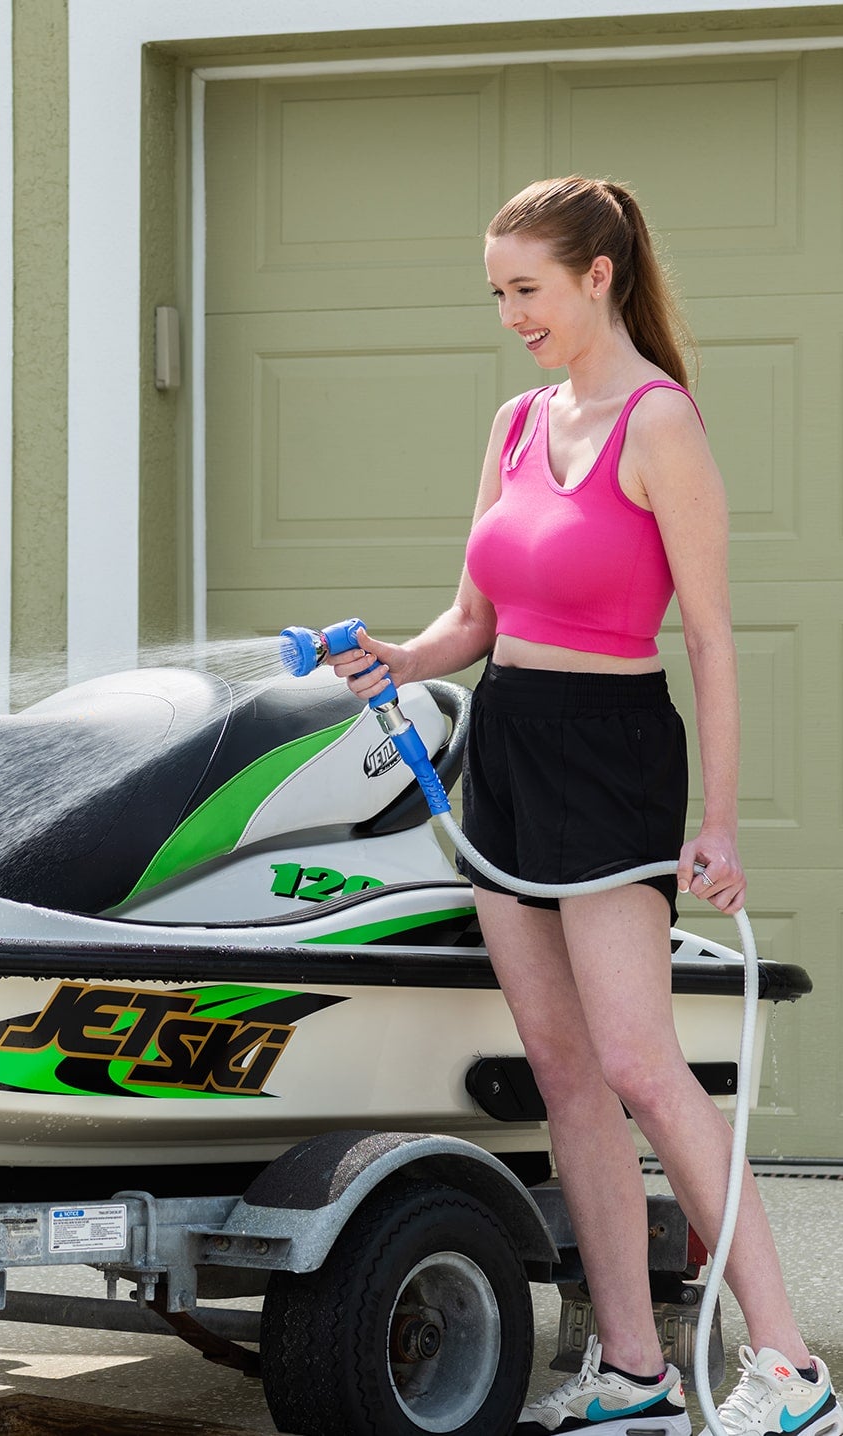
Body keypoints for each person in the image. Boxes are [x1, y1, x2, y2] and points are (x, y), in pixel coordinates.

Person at [335, 177, 836, 1436]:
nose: (509, 314)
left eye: (527, 290)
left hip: (612, 754)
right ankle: (632, 1371)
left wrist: (717, 824)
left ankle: (792, 1365)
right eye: (497, 292)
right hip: (504, 745)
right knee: (563, 1071)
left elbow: (714, 640)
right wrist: (394, 659)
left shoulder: (661, 423)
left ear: (597, 276)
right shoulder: (513, 424)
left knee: (640, 1064)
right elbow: (472, 621)